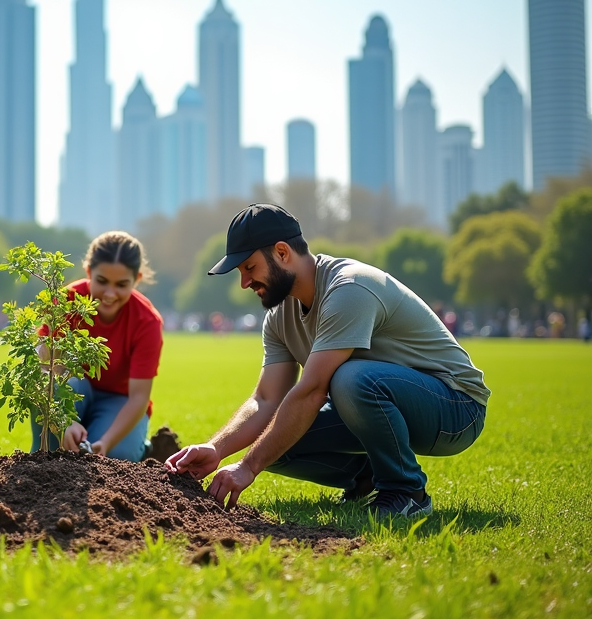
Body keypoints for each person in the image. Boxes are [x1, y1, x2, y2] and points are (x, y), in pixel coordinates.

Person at [166, 204, 490, 520]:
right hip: (384, 405)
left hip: (455, 407)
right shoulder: (279, 318)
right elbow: (265, 399)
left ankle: (406, 492)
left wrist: (248, 467)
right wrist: (216, 448)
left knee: (350, 379)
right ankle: (365, 477)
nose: (244, 283)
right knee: (272, 436)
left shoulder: (349, 287)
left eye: (249, 268)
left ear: (282, 253)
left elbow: (312, 391)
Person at [33, 231, 164, 462]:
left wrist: (106, 443)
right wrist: (64, 419)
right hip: (72, 390)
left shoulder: (147, 321)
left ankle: (141, 447)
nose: (110, 294)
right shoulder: (67, 301)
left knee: (116, 456)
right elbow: (43, 371)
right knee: (50, 455)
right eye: (102, 281)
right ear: (88, 272)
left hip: (120, 400)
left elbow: (138, 398)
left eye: (121, 284)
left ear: (137, 279)